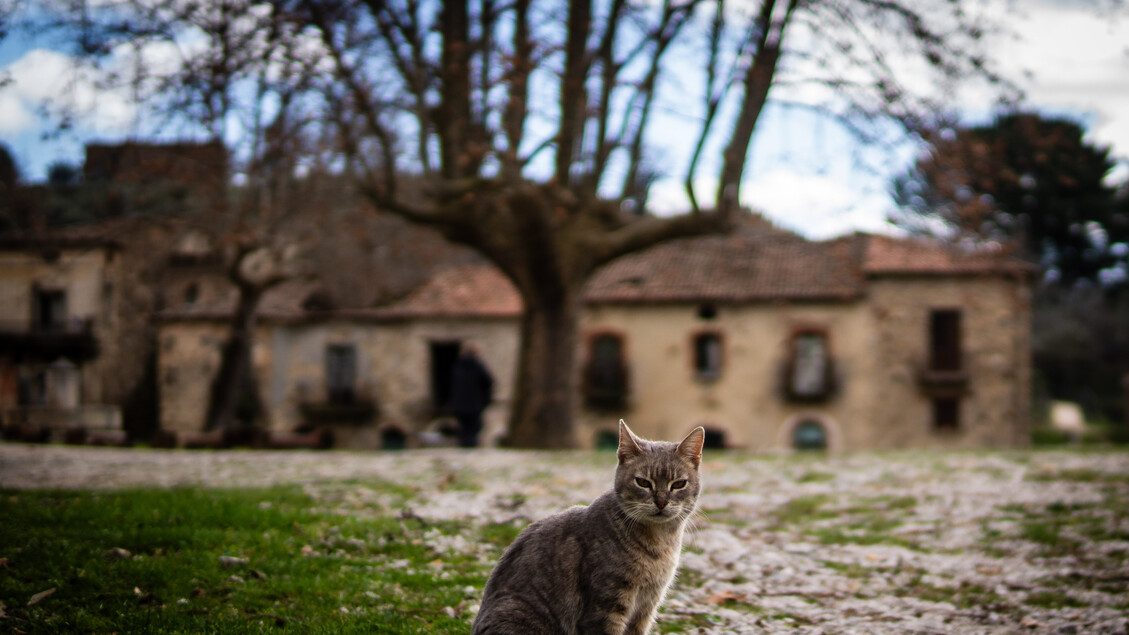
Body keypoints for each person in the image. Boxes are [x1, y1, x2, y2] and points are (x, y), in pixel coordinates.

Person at [449, 342, 494, 448]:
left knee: (463, 428)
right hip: (475, 404)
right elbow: (488, 382)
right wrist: (485, 400)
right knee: (473, 428)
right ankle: (471, 448)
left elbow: (449, 385)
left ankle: (464, 447)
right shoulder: (478, 367)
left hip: (459, 405)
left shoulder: (457, 366)